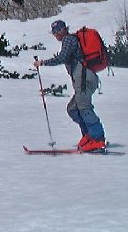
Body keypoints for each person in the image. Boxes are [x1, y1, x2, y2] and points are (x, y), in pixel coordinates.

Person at [33, 19, 107, 151]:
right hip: (83, 77)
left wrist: (43, 63)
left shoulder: (69, 39)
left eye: (56, 31)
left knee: (84, 107)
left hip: (84, 76)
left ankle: (98, 139)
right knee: (73, 108)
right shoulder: (71, 40)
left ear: (63, 30)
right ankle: (88, 136)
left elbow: (62, 57)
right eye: (54, 32)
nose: (55, 35)